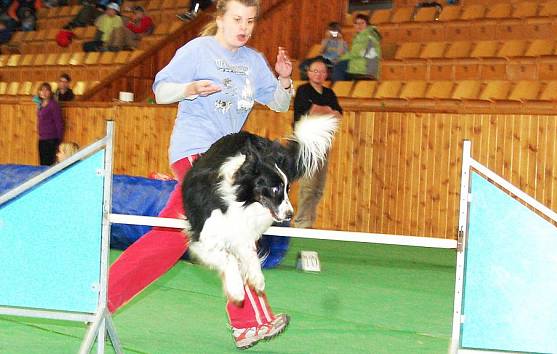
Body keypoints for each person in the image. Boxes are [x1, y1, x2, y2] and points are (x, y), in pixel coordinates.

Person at [107, 0, 294, 349]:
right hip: (196, 154)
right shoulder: (197, 50)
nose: (245, 27)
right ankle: (251, 321)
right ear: (221, 18)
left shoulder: (253, 62)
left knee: (168, 235)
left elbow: (280, 104)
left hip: (230, 159)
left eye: (251, 21)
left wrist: (284, 79)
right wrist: (191, 89)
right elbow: (160, 91)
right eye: (237, 19)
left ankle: (101, 298)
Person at [292, 57, 341, 228]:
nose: (319, 74)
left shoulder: (329, 93)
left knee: (319, 185)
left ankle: (309, 221)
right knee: (309, 184)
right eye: (315, 71)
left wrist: (323, 110)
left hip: (323, 142)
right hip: (307, 142)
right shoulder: (303, 91)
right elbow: (311, 111)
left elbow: (338, 114)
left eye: (322, 71)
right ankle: (301, 223)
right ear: (309, 73)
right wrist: (327, 110)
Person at [331, 13, 381, 81]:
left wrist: (339, 59)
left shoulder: (368, 36)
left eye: (362, 23)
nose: (359, 25)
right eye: (357, 23)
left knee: (339, 66)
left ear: (367, 24)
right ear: (354, 25)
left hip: (365, 68)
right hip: (360, 64)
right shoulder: (361, 36)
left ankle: (338, 88)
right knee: (337, 67)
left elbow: (356, 53)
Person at [35, 82, 64, 166]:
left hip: (51, 139)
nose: (44, 92)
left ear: (50, 92)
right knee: (42, 163)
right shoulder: (40, 105)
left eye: (46, 90)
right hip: (42, 138)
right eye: (41, 90)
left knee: (49, 164)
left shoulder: (53, 105)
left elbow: (59, 122)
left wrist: (59, 139)